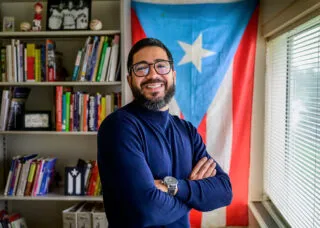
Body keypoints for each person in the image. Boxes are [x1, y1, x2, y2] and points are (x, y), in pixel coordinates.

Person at [97, 38, 232, 227]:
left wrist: (175, 187)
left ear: (173, 75)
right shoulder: (119, 127)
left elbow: (224, 191)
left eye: (161, 66)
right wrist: (194, 193)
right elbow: (147, 211)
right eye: (141, 68)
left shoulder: (186, 130)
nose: (153, 75)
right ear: (130, 80)